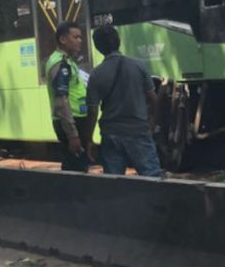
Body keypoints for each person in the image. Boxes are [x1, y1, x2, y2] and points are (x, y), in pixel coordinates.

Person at [86, 24, 163, 178]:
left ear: (97, 46)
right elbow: (154, 99)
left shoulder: (96, 74)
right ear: (118, 41)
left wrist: (89, 140)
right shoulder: (139, 66)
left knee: (114, 182)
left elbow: (93, 112)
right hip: (139, 130)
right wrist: (152, 122)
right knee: (151, 177)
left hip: (111, 133)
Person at [45, 22, 92, 173]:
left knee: (78, 167)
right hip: (71, 122)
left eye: (80, 37)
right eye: (76, 37)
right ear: (63, 40)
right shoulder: (61, 63)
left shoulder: (68, 61)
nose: (80, 40)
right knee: (75, 169)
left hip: (76, 120)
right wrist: (72, 135)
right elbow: (61, 100)